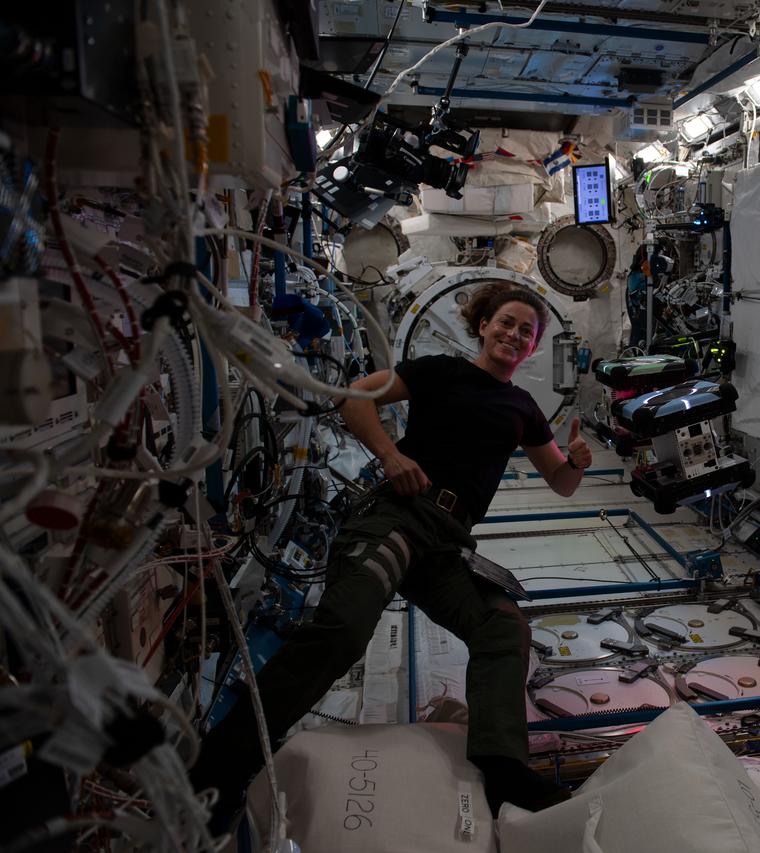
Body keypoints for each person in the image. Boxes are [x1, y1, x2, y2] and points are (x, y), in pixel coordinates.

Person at [191, 282, 593, 832]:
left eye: (527, 331)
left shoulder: (523, 408)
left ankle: (502, 768)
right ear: (483, 325)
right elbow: (355, 396)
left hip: (448, 543)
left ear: (533, 348)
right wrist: (390, 455)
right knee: (343, 629)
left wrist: (576, 461)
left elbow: (562, 483)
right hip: (399, 514)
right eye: (507, 322)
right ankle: (218, 768)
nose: (514, 334)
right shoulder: (439, 371)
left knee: (503, 628)